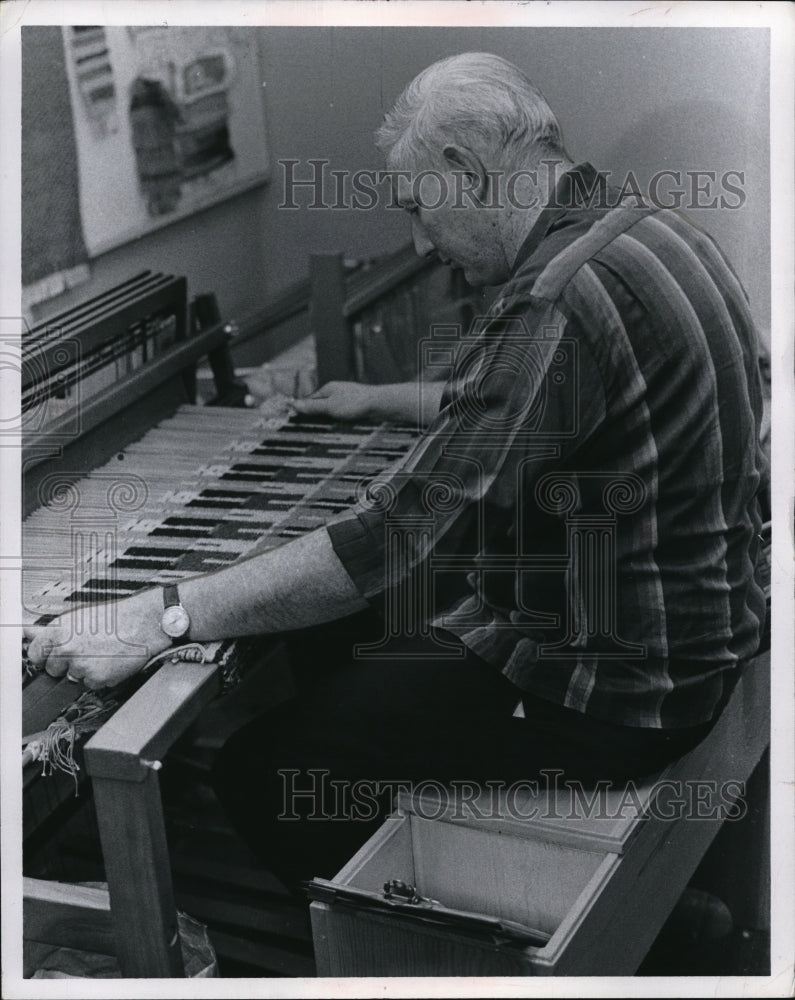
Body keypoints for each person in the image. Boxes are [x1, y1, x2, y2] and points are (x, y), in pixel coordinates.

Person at [26, 53, 768, 889]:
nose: (420, 243)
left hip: (613, 694)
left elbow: (395, 540)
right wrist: (382, 399)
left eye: (418, 209)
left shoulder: (555, 299)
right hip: (692, 632)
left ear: (464, 170)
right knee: (334, 638)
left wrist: (157, 615)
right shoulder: (647, 229)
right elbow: (547, 407)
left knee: (269, 770)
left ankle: (429, 928)